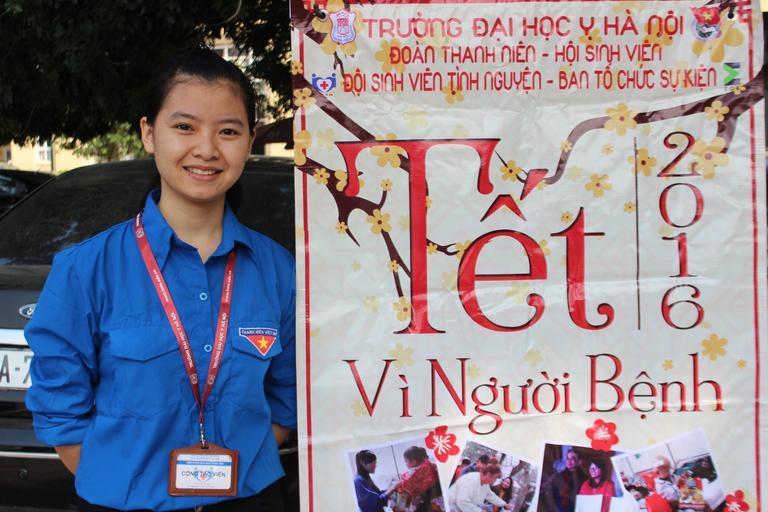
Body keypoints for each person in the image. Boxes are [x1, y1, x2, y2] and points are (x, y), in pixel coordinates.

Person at [24, 46, 296, 511]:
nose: (206, 149)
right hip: (125, 502)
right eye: (184, 127)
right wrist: (121, 482)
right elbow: (59, 409)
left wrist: (240, 470)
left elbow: (286, 394)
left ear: (250, 140)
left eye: (228, 131)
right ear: (149, 134)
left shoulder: (277, 269)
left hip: (249, 498)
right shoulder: (86, 269)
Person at [450, 463, 515, 512]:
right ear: (489, 475)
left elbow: (491, 496)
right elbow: (462, 502)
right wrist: (480, 511)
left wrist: (504, 504)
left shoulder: (485, 484)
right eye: (495, 478)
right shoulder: (471, 480)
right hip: (450, 507)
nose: (495, 481)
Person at [396, 446, 441, 512]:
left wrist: (402, 480)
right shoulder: (428, 464)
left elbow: (407, 485)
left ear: (413, 462)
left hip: (425, 497)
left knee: (402, 493)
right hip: (434, 493)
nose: (406, 464)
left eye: (406, 461)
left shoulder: (413, 474)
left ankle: (401, 509)